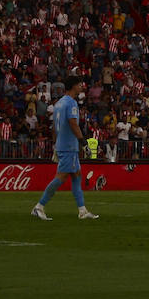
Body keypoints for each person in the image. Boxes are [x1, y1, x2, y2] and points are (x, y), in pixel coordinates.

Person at [31, 76, 99, 221]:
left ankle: (82, 210)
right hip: (69, 146)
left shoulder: (59, 103)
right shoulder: (71, 103)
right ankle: (39, 206)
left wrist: (56, 144)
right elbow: (73, 123)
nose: (81, 86)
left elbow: (54, 127)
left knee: (76, 175)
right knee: (61, 177)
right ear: (74, 86)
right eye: (80, 84)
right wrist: (83, 142)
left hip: (63, 144)